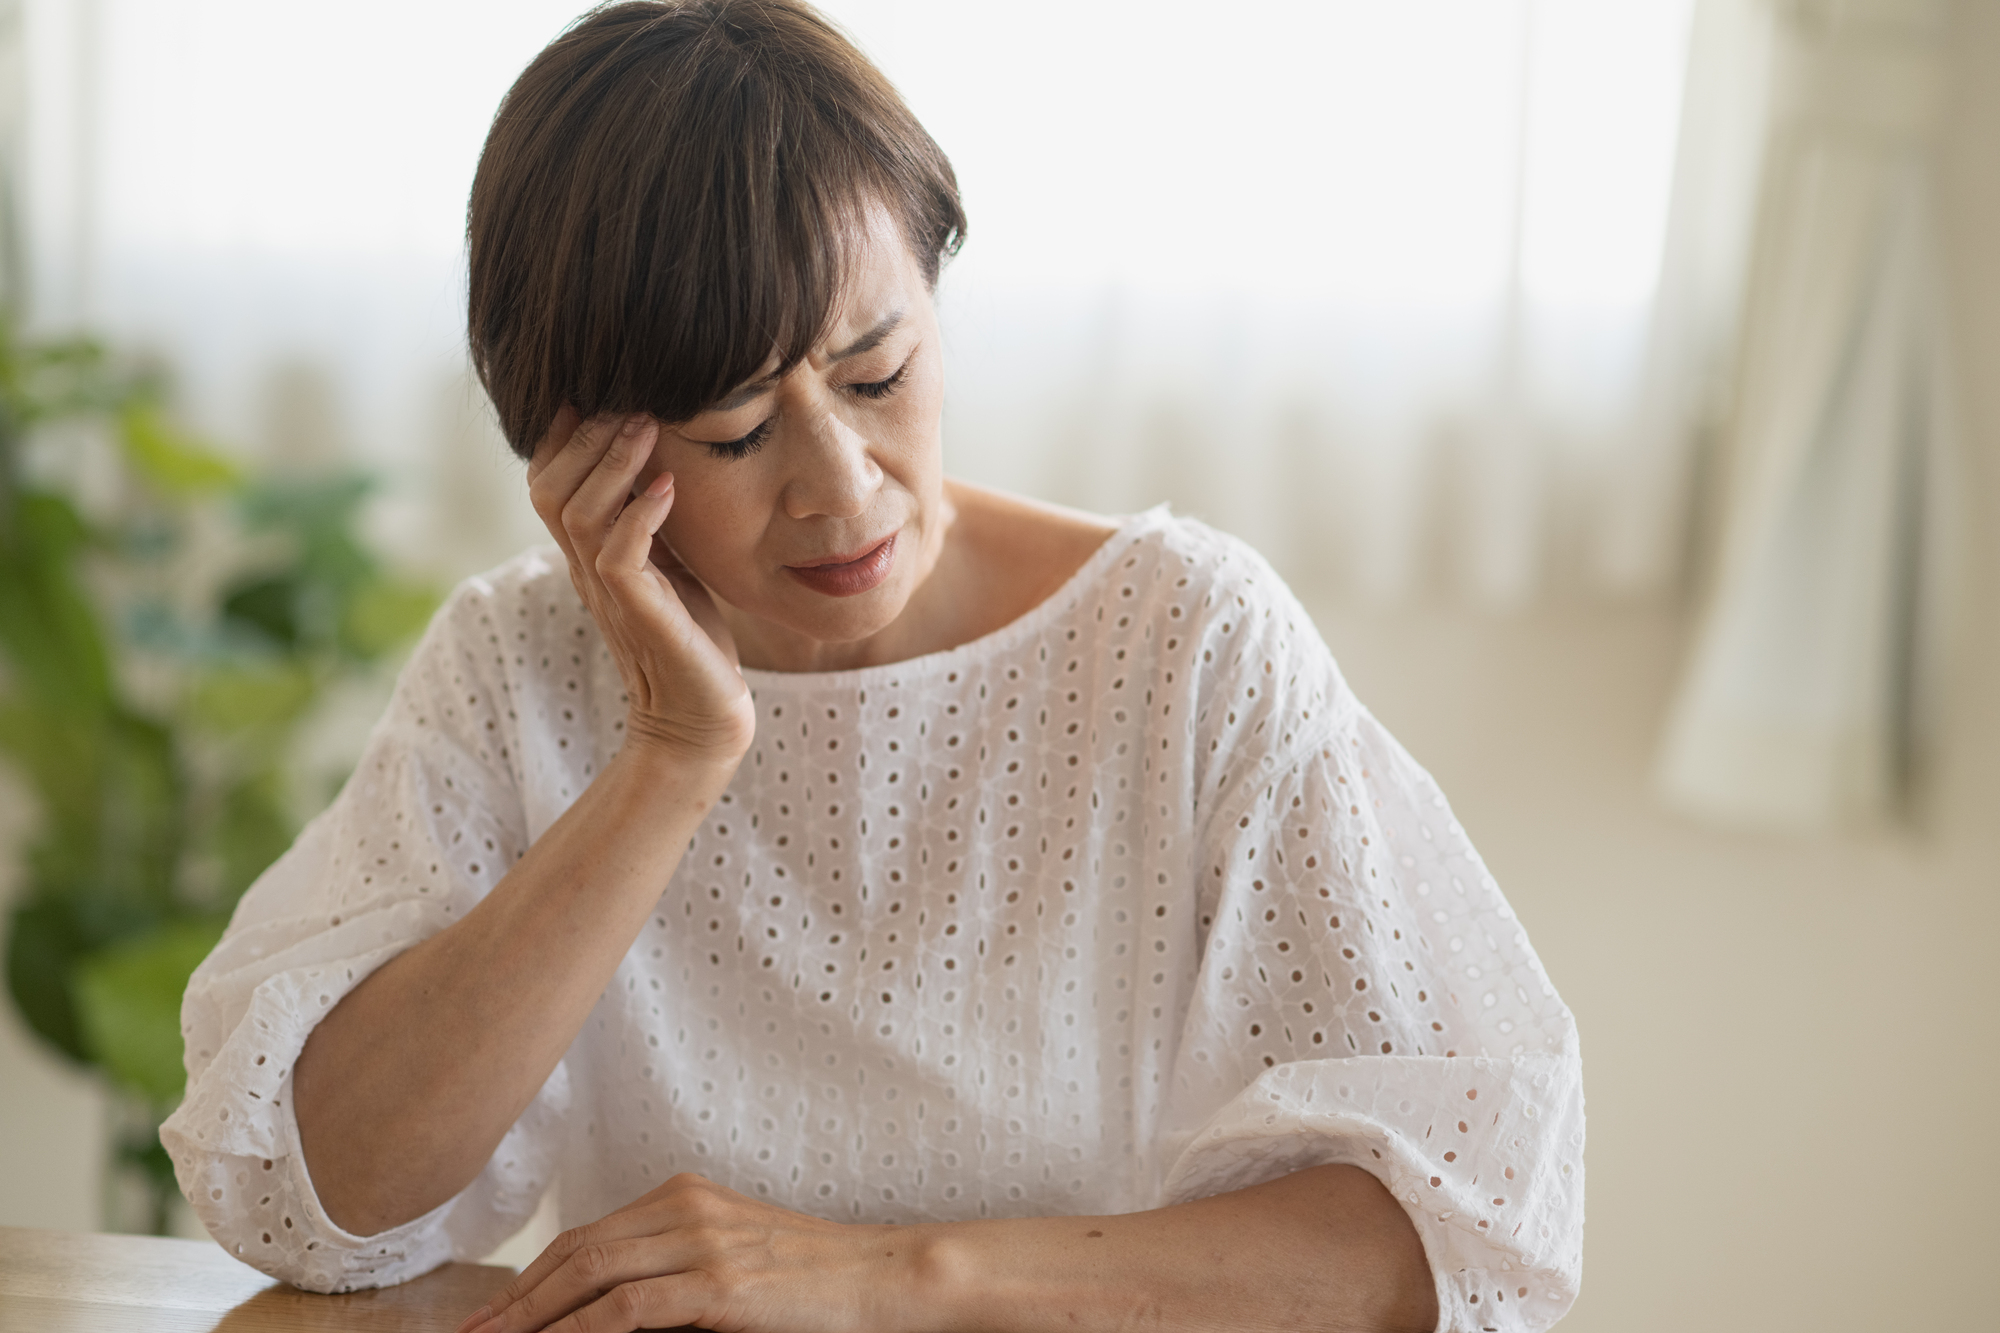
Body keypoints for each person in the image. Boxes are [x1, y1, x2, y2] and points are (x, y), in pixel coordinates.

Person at [161, 3, 1585, 1330]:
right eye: (733, 435)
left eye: (877, 374)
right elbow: (314, 1199)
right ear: (579, 453)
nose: (842, 491)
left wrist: (891, 1276)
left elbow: (1457, 1231)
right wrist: (672, 756)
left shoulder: (1184, 641)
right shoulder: (520, 662)